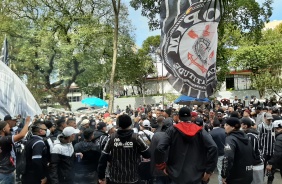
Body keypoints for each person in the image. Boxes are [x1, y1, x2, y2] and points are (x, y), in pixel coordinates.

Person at [155, 107, 218, 184]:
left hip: (175, 175)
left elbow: (160, 148)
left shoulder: (172, 130)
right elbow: (213, 147)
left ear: (178, 117)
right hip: (196, 175)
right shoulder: (200, 131)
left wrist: (161, 166)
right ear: (190, 117)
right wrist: (209, 171)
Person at [98, 114, 150, 184]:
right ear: (130, 123)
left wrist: (101, 176)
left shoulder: (111, 138)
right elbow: (147, 154)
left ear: (118, 124)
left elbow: (103, 157)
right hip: (132, 178)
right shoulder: (136, 138)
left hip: (115, 178)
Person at [221, 117, 253, 184]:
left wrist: (224, 175)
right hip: (248, 174)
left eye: (226, 125)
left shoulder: (230, 139)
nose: (224, 126)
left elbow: (228, 158)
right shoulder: (246, 137)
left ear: (233, 127)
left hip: (235, 177)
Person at [0, 116, 30, 184]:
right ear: (4, 129)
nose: (10, 128)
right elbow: (22, 135)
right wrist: (27, 122)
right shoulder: (4, 139)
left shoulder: (4, 139)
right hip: (5, 173)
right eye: (8, 127)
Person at [241, 117, 264, 184]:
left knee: (256, 182)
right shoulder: (251, 133)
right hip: (256, 162)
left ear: (245, 125)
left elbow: (251, 152)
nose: (240, 126)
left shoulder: (250, 136)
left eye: (241, 124)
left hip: (256, 163)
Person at [257, 112, 276, 184]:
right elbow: (258, 139)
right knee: (262, 167)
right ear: (264, 118)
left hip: (272, 151)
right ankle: (261, 180)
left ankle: (270, 181)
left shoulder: (274, 126)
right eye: (268, 119)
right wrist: (259, 150)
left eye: (270, 119)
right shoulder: (260, 126)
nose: (269, 120)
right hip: (263, 151)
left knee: (272, 168)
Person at [209, 119, 226, 184]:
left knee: (220, 170)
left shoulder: (211, 133)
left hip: (217, 154)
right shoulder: (224, 131)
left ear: (213, 125)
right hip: (226, 152)